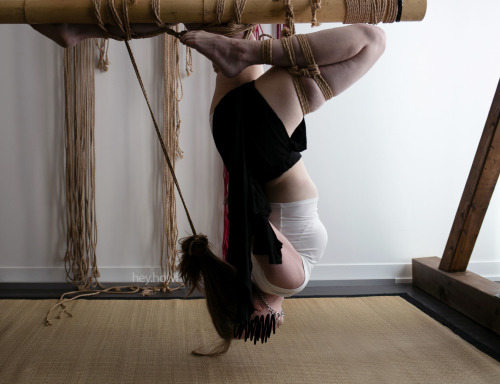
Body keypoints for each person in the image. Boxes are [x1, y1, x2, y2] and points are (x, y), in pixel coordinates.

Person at [32, 22, 386, 355]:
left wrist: (243, 305)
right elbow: (257, 226)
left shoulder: (285, 281)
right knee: (228, 20)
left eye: (253, 330)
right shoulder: (249, 271)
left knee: (371, 41)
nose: (272, 328)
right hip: (236, 135)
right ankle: (80, 29)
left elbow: (258, 222)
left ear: (254, 312)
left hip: (261, 143)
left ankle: (245, 54)